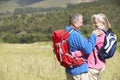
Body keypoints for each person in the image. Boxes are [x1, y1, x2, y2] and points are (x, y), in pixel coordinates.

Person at [65, 13, 102, 80]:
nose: (82, 24)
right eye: (81, 22)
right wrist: (93, 35)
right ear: (75, 23)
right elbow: (88, 49)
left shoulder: (66, 32)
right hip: (79, 71)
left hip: (69, 70)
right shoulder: (75, 34)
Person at [87, 13, 112, 80]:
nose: (94, 25)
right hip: (101, 63)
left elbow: (87, 46)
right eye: (93, 23)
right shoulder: (106, 33)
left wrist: (92, 35)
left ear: (102, 23)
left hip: (93, 65)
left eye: (95, 23)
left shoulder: (99, 34)